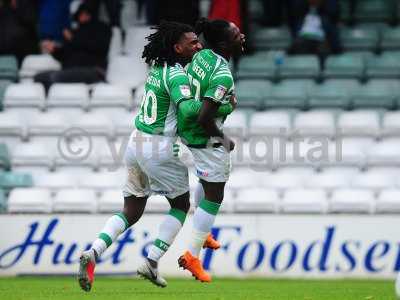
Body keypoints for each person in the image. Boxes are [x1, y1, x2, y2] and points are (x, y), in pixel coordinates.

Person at [77, 21, 234, 292]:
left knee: (132, 210)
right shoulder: (176, 75)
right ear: (177, 48)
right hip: (158, 147)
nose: (198, 46)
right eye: (192, 43)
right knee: (181, 205)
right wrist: (221, 106)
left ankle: (94, 251)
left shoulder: (157, 69)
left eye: (199, 41)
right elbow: (188, 112)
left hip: (135, 142)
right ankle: (151, 260)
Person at [177, 18, 245, 283]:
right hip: (206, 140)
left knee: (205, 182)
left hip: (186, 133)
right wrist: (225, 139)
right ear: (223, 43)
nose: (242, 36)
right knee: (215, 196)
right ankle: (192, 255)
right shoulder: (223, 74)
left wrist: (226, 105)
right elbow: (206, 117)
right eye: (237, 34)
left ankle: (202, 233)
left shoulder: (203, 55)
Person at [36, 3, 111, 90]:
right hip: (70, 69)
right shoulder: (76, 31)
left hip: (92, 69)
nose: (82, 17)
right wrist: (54, 50)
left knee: (54, 78)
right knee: (40, 78)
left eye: (85, 14)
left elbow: (98, 48)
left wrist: (73, 39)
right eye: (81, 14)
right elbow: (66, 54)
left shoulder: (102, 29)